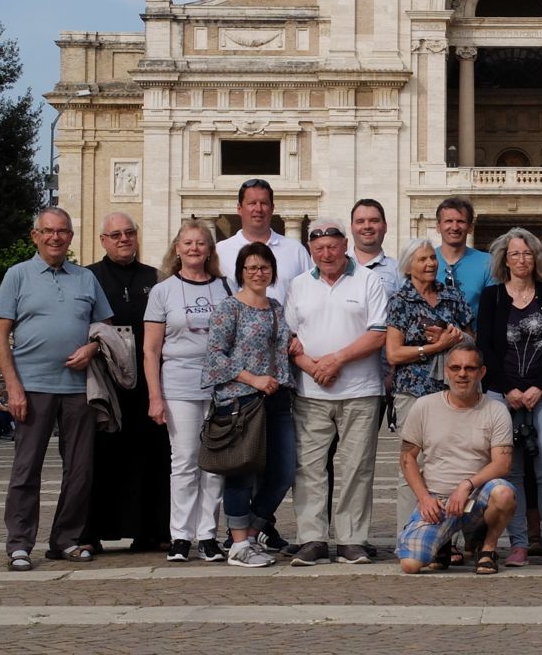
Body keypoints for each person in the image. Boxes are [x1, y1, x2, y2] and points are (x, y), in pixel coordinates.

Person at [0, 208, 114, 571]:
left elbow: (104, 326)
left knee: (80, 470)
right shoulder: (17, 276)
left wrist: (92, 348)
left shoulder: (85, 279)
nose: (55, 237)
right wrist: (13, 386)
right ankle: (19, 543)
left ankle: (65, 539)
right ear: (35, 236)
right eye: (48, 231)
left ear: (71, 237)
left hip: (79, 388)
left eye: (62, 231)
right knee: (27, 468)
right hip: (32, 387)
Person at [285, 219, 388, 566]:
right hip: (310, 391)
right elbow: (288, 338)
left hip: (360, 389)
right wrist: (313, 367)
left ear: (345, 244)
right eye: (318, 249)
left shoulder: (368, 279)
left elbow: (378, 332)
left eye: (332, 246)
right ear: (310, 251)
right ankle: (312, 538)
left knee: (357, 467)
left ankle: (351, 539)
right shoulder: (299, 284)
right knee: (309, 467)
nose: (326, 254)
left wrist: (337, 360)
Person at [478, 228, 542, 568]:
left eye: (527, 253)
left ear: (536, 258)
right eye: (514, 254)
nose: (521, 259)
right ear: (505, 259)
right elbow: (485, 346)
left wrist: (538, 387)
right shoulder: (493, 297)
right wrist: (508, 389)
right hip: (502, 395)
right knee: (510, 470)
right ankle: (517, 543)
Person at [203, 241, 296, 568]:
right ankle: (239, 543)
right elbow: (214, 356)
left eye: (264, 267)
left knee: (284, 471)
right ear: (241, 273)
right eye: (252, 267)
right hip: (241, 400)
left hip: (277, 398)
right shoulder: (229, 308)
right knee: (241, 471)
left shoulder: (275, 307)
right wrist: (253, 379)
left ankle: (252, 533)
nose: (259, 272)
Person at [143, 221, 231, 564]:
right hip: (178, 384)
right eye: (187, 243)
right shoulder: (162, 291)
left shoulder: (224, 289)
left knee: (214, 464)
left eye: (201, 243)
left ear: (210, 250)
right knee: (184, 462)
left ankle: (207, 534)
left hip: (219, 386)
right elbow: (151, 349)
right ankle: (180, 535)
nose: (194, 248)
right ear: (176, 249)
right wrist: (155, 396)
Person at [83, 212, 170, 553]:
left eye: (129, 233)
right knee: (98, 459)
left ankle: (150, 530)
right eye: (115, 234)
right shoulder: (88, 278)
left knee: (152, 458)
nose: (123, 239)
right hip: (105, 384)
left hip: (148, 384)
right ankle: (91, 532)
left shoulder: (156, 279)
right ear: (103, 240)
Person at [397, 343, 516, 575]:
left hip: (476, 497)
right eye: (456, 368)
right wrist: (423, 498)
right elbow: (407, 458)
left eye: (470, 368)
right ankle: (443, 543)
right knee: (410, 565)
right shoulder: (424, 406)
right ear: (446, 372)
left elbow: (503, 464)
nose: (462, 374)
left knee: (503, 493)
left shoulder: (496, 410)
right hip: (438, 500)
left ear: (481, 372)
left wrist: (466, 485)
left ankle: (487, 548)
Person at [385, 237, 474, 530]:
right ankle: (409, 534)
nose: (430, 264)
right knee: (412, 463)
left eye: (432, 259)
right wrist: (434, 348)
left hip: (451, 391)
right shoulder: (400, 300)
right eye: (422, 259)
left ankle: (448, 538)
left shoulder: (452, 296)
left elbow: (473, 339)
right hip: (412, 391)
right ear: (408, 265)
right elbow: (394, 353)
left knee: (451, 463)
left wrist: (454, 338)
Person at [216, 179, 311, 306]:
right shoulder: (220, 251)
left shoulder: (295, 250)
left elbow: (310, 294)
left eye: (264, 203)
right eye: (252, 203)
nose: (258, 209)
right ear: (239, 208)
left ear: (272, 208)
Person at [434, 197, 493, 320]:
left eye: (460, 221)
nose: (455, 227)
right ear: (438, 227)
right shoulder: (424, 262)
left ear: (470, 227)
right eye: (448, 221)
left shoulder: (488, 263)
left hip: (474, 337)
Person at [349, 199, 399, 298]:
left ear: (385, 227)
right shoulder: (334, 267)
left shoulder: (398, 271)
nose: (367, 226)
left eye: (374, 221)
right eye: (360, 221)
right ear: (351, 227)